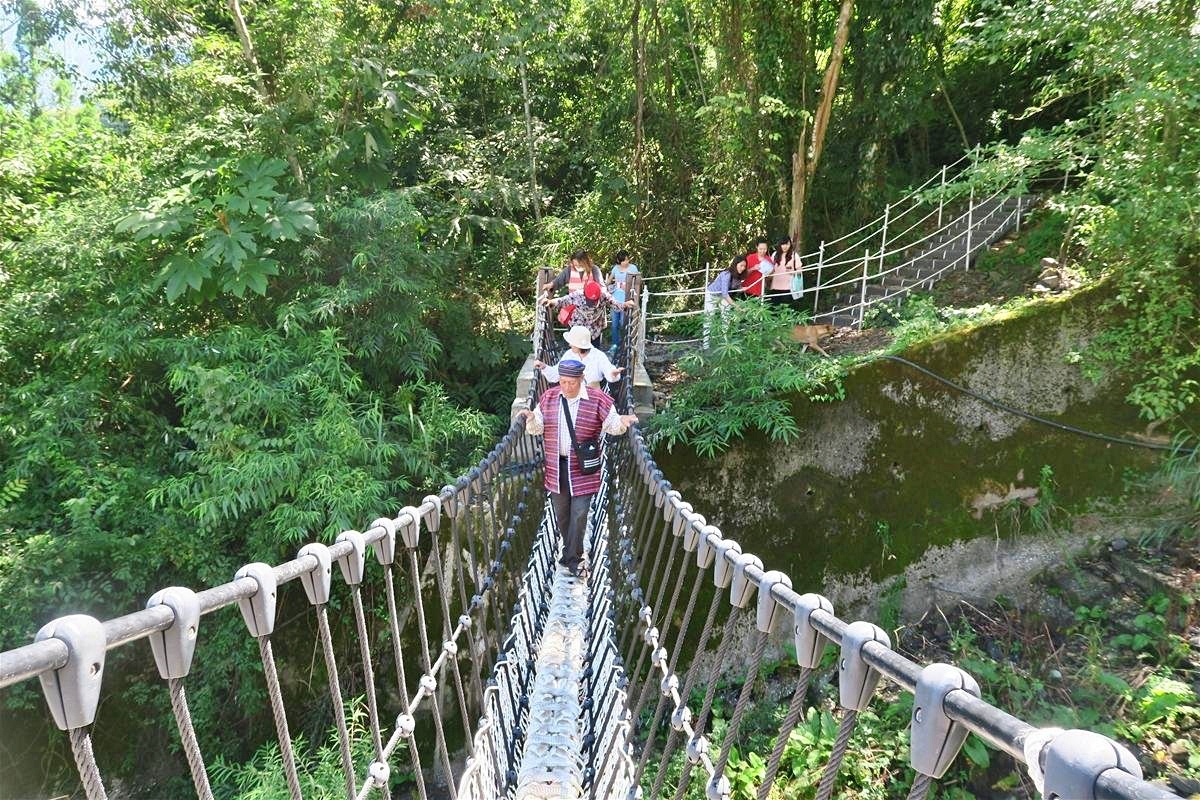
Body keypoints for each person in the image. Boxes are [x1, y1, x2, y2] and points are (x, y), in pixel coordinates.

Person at [519, 360, 638, 577]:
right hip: (556, 467)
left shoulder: (597, 399)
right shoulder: (549, 398)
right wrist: (531, 418)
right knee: (562, 515)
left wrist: (623, 421)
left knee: (580, 513)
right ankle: (569, 551)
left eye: (571, 383)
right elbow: (537, 428)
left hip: (584, 469)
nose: (566, 387)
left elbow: (611, 425)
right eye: (563, 382)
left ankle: (575, 558)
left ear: (581, 380)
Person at [544, 280, 634, 347]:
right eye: (590, 301)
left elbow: (615, 303)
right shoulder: (577, 295)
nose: (592, 303)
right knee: (577, 351)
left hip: (594, 329)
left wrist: (625, 305)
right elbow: (562, 300)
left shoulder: (604, 295)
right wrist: (550, 302)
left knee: (593, 352)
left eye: (594, 301)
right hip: (579, 325)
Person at [536, 325, 624, 388]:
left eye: (572, 342)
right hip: (571, 394)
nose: (570, 345)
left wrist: (613, 374)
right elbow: (556, 374)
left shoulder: (598, 356)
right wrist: (544, 367)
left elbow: (609, 370)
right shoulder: (569, 354)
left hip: (592, 397)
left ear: (578, 345)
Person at [607, 251, 640, 354]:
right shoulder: (615, 268)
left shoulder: (633, 268)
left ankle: (624, 343)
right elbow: (608, 281)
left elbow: (638, 282)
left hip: (626, 298)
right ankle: (614, 345)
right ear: (619, 261)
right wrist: (609, 288)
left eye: (627, 259)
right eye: (624, 260)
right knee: (614, 324)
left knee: (623, 322)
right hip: (615, 298)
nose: (627, 261)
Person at [771, 235, 803, 302]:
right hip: (775, 287)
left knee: (786, 308)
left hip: (789, 287)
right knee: (775, 309)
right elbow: (770, 268)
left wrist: (792, 271)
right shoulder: (774, 255)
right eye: (783, 244)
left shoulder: (794, 255)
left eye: (787, 244)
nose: (785, 246)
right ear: (780, 244)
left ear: (790, 244)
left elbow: (800, 271)